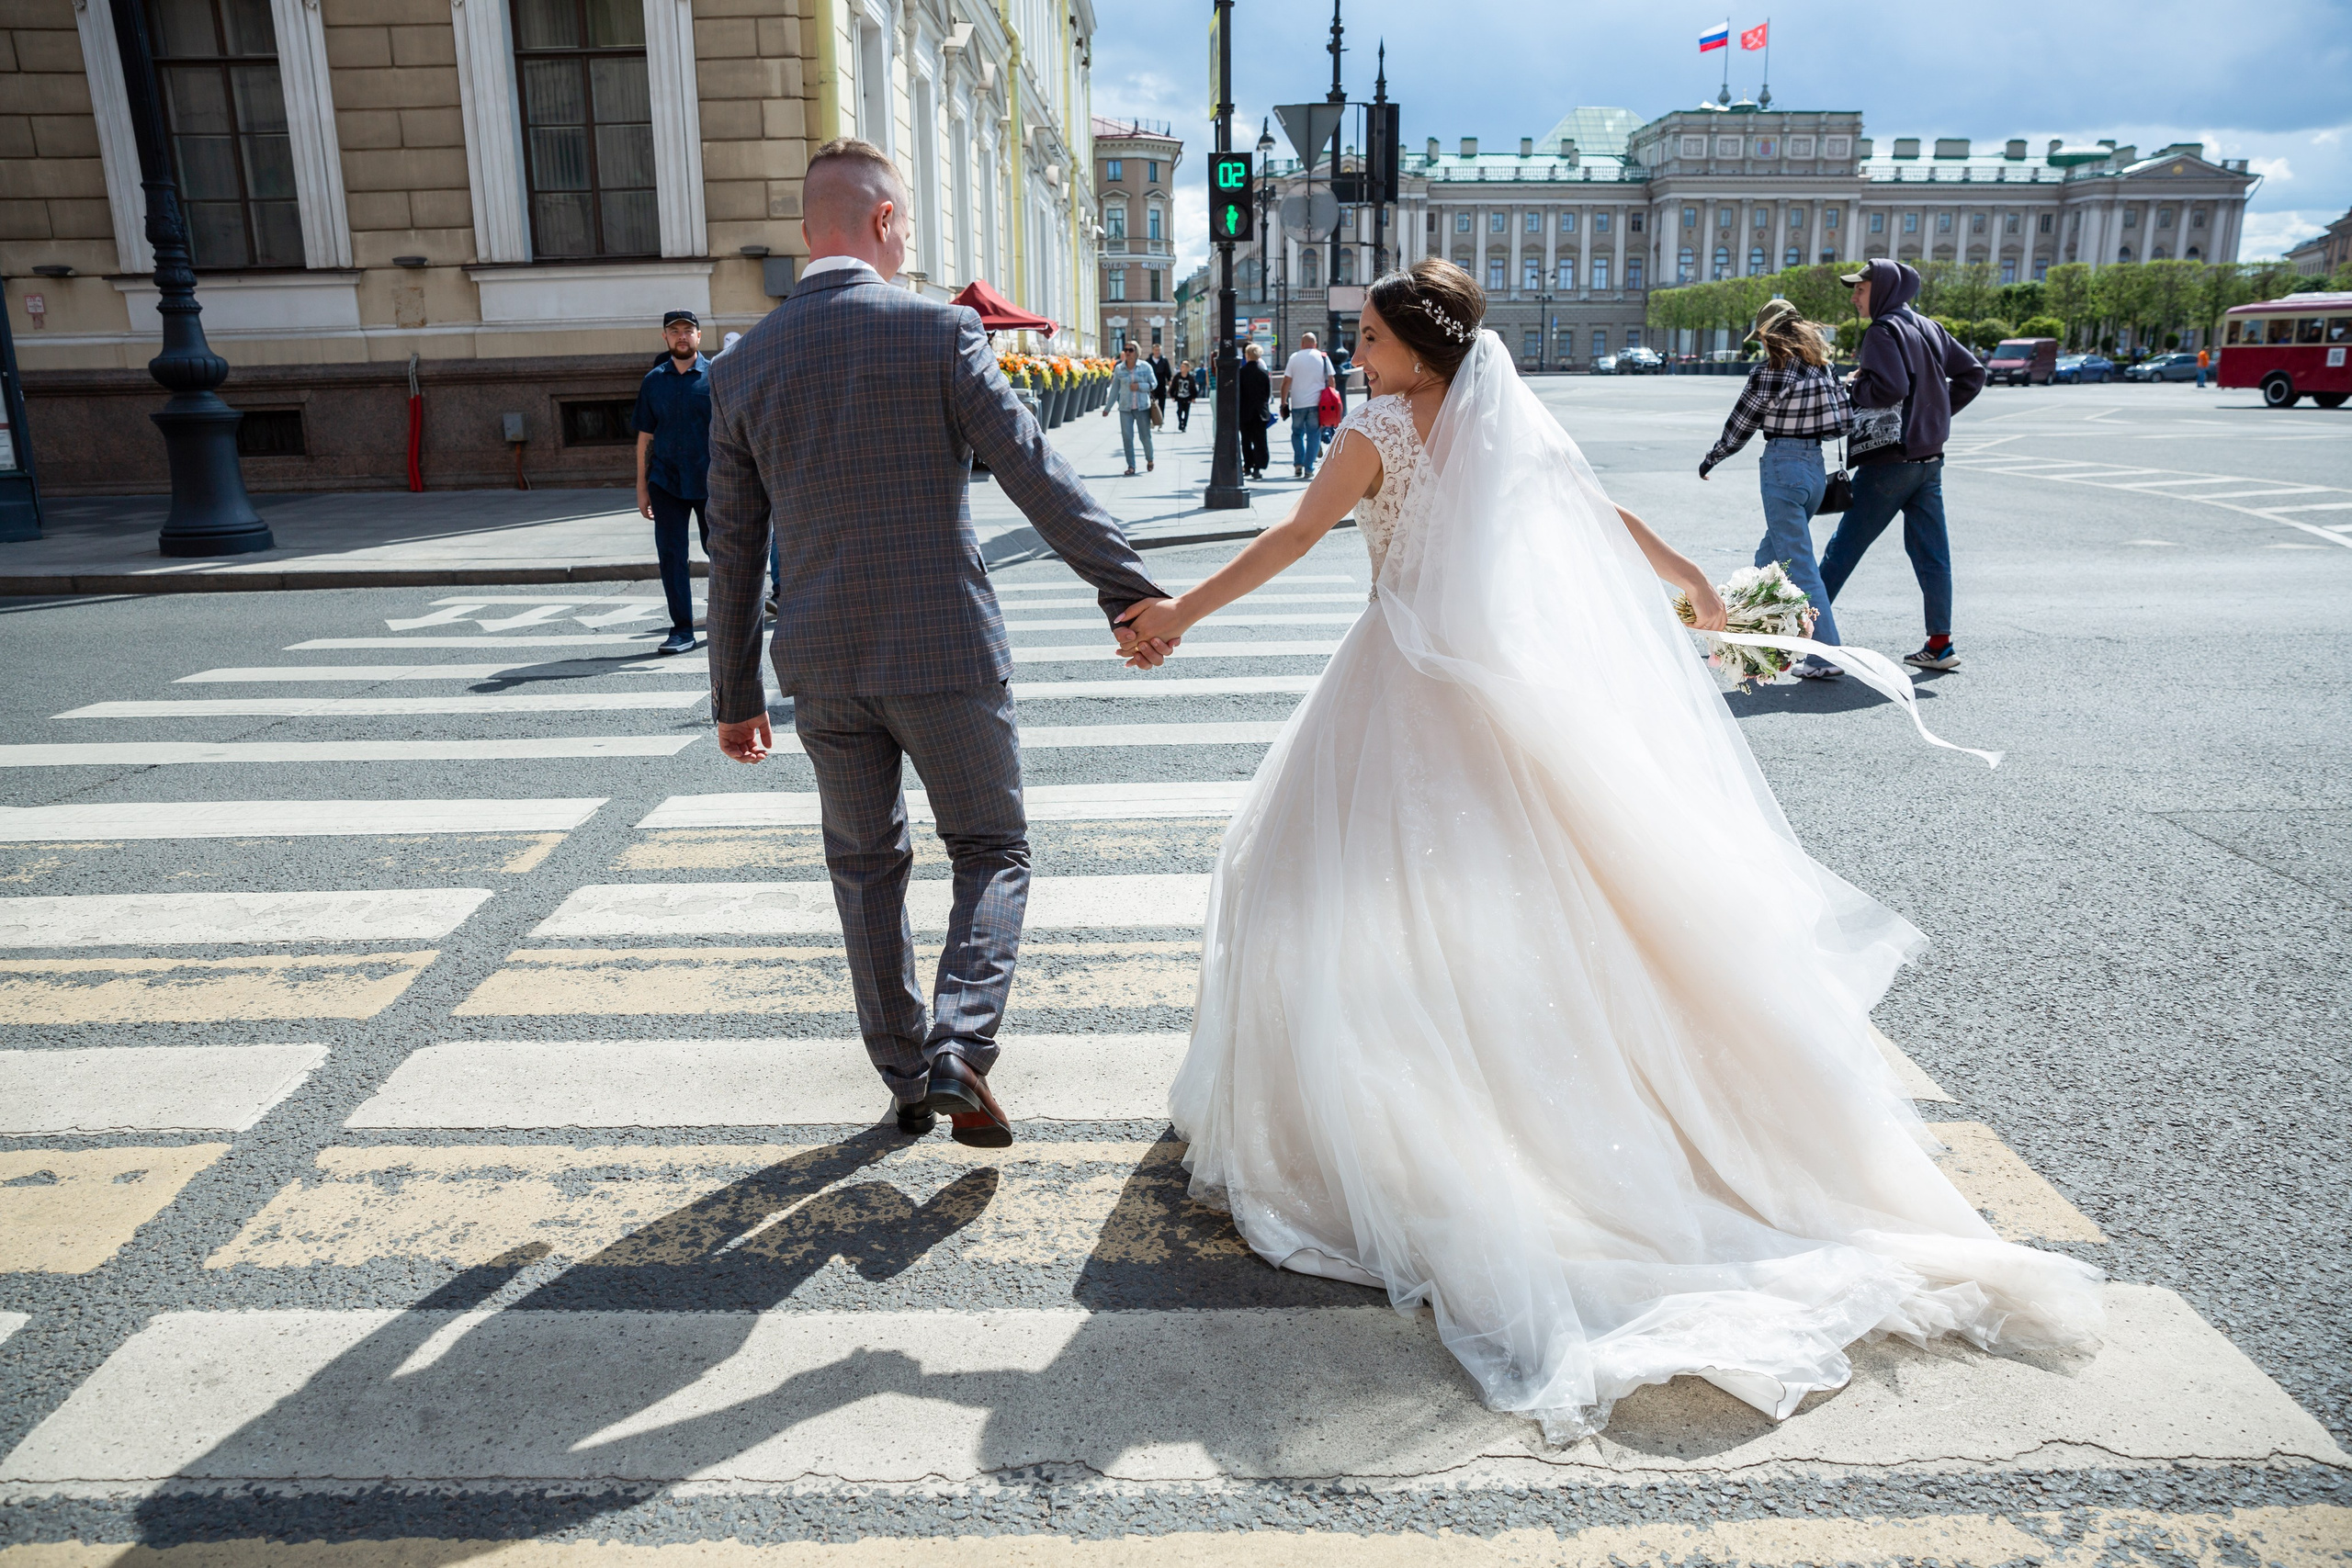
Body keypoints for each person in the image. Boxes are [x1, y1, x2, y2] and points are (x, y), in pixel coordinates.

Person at [1114, 258, 2101, 1443]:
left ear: (1416, 349)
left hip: (1403, 681)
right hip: (1496, 692)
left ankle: (1383, 1118)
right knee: (1528, 901)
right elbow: (1591, 512)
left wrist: (1175, 614)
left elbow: (1294, 536)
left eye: (1369, 337)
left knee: (1329, 891)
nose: (1357, 354)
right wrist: (1683, 574)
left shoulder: (1377, 430)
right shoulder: (1496, 416)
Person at [702, 137, 1178, 1150]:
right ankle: (960, 1046)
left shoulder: (741, 367)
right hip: (945, 653)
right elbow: (1034, 471)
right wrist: (1129, 591)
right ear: (883, 221)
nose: (907, 241)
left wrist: (735, 698)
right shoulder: (938, 333)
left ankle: (905, 1076)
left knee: (864, 866)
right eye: (907, 224)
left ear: (808, 230)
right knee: (991, 848)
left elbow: (733, 548)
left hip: (822, 666)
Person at [1816, 259, 1984, 672]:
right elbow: (1973, 374)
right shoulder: (1930, 327)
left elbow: (1890, 387)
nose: (1855, 298)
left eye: (1861, 289)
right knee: (1932, 554)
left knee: (1842, 550)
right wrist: (1933, 416)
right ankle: (1940, 645)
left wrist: (1856, 384)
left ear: (1884, 289)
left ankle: (1806, 639)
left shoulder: (1882, 330)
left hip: (1889, 460)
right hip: (1929, 459)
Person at [1699, 298, 1852, 679]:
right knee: (1770, 558)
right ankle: (1745, 633)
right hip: (1815, 470)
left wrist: (1713, 457)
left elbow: (1741, 425)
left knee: (1799, 564)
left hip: (1783, 468)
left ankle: (1825, 656)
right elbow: (1843, 423)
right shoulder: (1823, 369)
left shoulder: (1770, 372)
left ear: (1770, 337)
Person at [633, 309, 712, 656]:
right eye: (675, 331)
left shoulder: (716, 376)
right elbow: (645, 437)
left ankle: (726, 619)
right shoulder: (653, 381)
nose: (682, 336)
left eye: (688, 330)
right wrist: (642, 488)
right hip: (665, 482)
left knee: (721, 553)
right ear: (665, 337)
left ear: (699, 336)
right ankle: (682, 629)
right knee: (671, 556)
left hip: (711, 482)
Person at [1280, 331, 1335, 479]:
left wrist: (1283, 402)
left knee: (1297, 433)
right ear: (1315, 344)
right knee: (1314, 435)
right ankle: (1309, 468)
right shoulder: (1323, 357)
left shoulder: (1294, 357)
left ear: (1302, 343)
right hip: (1317, 403)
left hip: (1298, 403)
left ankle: (1298, 464)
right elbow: (1331, 380)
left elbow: (1286, 382)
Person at [1110, 343, 1158, 475]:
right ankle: (1131, 466)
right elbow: (1115, 389)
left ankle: (1150, 459)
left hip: (1142, 408)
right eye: (1126, 350)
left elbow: (1154, 384)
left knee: (1145, 437)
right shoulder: (1119, 368)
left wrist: (1140, 386)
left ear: (1136, 352)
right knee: (1127, 438)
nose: (1128, 352)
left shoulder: (1145, 367)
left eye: (1130, 350)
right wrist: (1108, 407)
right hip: (1125, 408)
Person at [1238, 342, 1272, 479]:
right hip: (1260, 413)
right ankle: (1258, 467)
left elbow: (1239, 394)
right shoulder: (1263, 373)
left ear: (1247, 355)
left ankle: (1247, 465)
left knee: (1246, 440)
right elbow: (1267, 394)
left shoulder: (1241, 373)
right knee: (1260, 441)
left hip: (1245, 412)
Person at [1148, 344, 1175, 431]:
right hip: (1151, 387)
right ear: (1153, 351)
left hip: (1161, 385)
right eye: (1156, 350)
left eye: (1159, 350)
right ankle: (1152, 421)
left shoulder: (1164, 361)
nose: (1157, 352)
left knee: (1162, 405)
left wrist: (1170, 381)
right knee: (1151, 405)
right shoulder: (1148, 361)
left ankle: (1160, 422)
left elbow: (1168, 372)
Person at [1171, 358, 1197, 432]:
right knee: (1179, 411)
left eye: (1183, 367)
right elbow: (1173, 386)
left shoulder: (1190, 378)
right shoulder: (1177, 377)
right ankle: (1181, 422)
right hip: (1179, 397)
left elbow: (1193, 388)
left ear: (1187, 369)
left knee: (1186, 411)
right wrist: (1173, 395)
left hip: (1188, 397)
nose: (1181, 368)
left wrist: (1193, 397)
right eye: (1181, 366)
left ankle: (1184, 425)